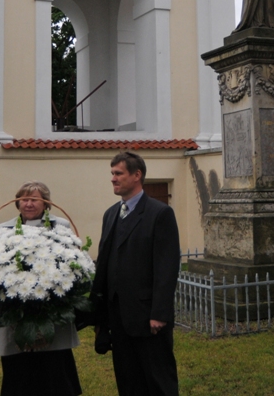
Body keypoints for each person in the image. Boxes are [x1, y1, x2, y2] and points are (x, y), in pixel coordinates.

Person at [92, 151, 181, 396]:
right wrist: (100, 315)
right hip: (118, 317)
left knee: (158, 381)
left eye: (118, 173)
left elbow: (166, 267)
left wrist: (159, 313)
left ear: (137, 175)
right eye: (112, 173)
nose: (113, 178)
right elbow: (105, 264)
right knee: (128, 381)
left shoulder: (159, 213)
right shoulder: (111, 214)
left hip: (148, 317)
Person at [0, 182, 83, 396]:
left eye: (34, 199)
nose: (28, 204)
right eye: (24, 199)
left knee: (53, 370)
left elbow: (72, 262)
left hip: (52, 308)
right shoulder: (4, 229)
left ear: (46, 203)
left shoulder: (60, 226)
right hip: (16, 309)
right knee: (19, 371)